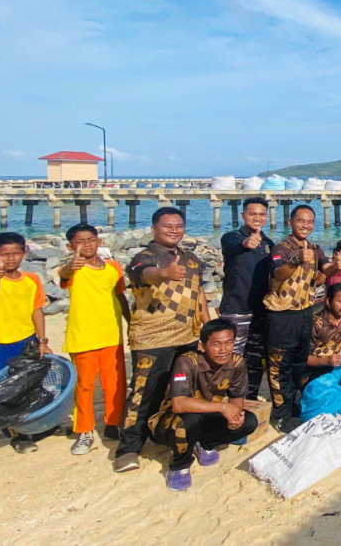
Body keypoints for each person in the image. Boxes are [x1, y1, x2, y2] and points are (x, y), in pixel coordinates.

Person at [115, 207, 209, 472]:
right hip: (152, 337)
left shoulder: (191, 258)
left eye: (179, 226)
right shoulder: (142, 257)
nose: (174, 230)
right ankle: (129, 448)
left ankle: (173, 435)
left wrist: (207, 326)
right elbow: (144, 274)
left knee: (182, 390)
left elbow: (199, 294)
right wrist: (164, 274)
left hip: (187, 335)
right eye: (168, 226)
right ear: (154, 228)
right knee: (144, 392)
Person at [148, 318, 258, 492]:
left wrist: (234, 417)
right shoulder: (186, 361)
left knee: (249, 421)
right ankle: (179, 466)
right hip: (169, 421)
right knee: (191, 418)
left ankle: (205, 444)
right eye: (216, 344)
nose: (223, 350)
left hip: (205, 415)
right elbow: (178, 404)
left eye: (228, 343)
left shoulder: (236, 362)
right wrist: (222, 407)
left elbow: (237, 399)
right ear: (202, 346)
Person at [58, 224, 129, 455]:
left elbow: (120, 296)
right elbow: (64, 275)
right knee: (85, 386)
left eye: (91, 240)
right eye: (80, 241)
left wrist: (132, 323)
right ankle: (84, 431)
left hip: (111, 335)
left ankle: (112, 423)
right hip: (83, 338)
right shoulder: (73, 269)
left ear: (99, 242)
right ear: (70, 246)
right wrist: (71, 266)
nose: (87, 245)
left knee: (115, 384)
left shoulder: (113, 267)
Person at [264, 204, 335, 435]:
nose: (306, 225)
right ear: (290, 222)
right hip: (282, 315)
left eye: (310, 222)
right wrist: (296, 260)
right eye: (301, 221)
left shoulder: (315, 248)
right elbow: (278, 273)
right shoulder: (280, 248)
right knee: (279, 368)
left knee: (298, 364)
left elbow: (326, 270)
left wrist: (338, 265)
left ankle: (292, 405)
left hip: (305, 313)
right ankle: (280, 414)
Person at [0, 232, 48, 454]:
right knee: (0, 388)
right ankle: (14, 434)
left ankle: (29, 425)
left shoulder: (31, 280)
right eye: (4, 254)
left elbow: (37, 310)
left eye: (16, 253)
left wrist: (42, 340)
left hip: (26, 340)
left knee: (27, 385)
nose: (10, 258)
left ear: (24, 254)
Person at [218, 197, 275, 400]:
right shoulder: (231, 237)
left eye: (261, 214)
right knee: (230, 357)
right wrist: (245, 242)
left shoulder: (268, 244)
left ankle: (248, 398)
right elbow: (233, 245)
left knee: (254, 359)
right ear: (243, 215)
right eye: (252, 214)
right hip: (236, 309)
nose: (257, 218)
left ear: (266, 217)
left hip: (261, 311)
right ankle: (223, 399)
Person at [306, 283, 341, 379]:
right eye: (340, 301)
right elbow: (304, 358)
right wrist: (326, 361)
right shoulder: (315, 324)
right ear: (328, 302)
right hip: (317, 372)